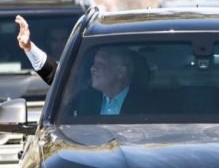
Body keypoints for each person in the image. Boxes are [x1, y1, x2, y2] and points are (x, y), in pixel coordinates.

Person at [15, 15, 148, 116]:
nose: (92, 68)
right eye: (93, 63)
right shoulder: (86, 98)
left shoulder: (146, 104)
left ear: (120, 72)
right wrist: (28, 47)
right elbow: (57, 75)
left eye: (101, 63)